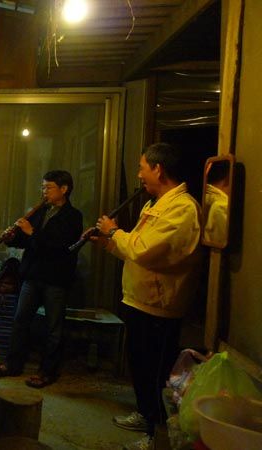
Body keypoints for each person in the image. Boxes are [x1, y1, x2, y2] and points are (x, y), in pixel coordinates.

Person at [92, 143, 202, 450]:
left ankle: (158, 436)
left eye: (142, 168)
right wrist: (109, 243)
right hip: (140, 300)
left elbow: (142, 249)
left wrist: (113, 232)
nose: (139, 175)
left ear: (158, 169)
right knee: (140, 366)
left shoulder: (182, 209)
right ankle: (145, 415)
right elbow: (138, 250)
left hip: (160, 308)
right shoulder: (156, 204)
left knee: (156, 372)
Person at [0, 170, 83, 389]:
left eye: (48, 187)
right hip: (32, 275)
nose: (44, 192)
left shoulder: (73, 216)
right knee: (20, 320)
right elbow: (27, 242)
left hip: (55, 278)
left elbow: (59, 247)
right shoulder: (42, 211)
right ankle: (13, 364)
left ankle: (47, 372)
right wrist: (13, 238)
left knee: (54, 328)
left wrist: (31, 232)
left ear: (64, 189)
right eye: (43, 187)